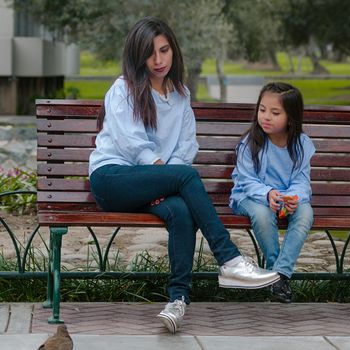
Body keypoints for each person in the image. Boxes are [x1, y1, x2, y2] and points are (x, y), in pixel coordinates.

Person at [88, 17, 279, 334]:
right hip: (112, 179)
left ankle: (177, 301)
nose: (159, 60)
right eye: (151, 53)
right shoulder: (123, 89)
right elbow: (134, 145)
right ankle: (229, 259)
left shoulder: (180, 94)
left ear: (173, 50)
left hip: (151, 185)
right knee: (186, 177)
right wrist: (171, 174)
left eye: (164, 50)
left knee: (180, 210)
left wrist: (169, 176)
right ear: (138, 56)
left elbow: (186, 143)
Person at [230, 82, 315, 303]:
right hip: (249, 197)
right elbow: (247, 180)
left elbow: (301, 180)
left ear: (291, 117)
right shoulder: (251, 143)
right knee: (262, 214)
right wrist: (267, 194)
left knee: (305, 214)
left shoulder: (301, 145)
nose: (266, 116)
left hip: (286, 198)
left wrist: (295, 198)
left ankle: (280, 274)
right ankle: (276, 275)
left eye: (275, 113)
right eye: (262, 109)